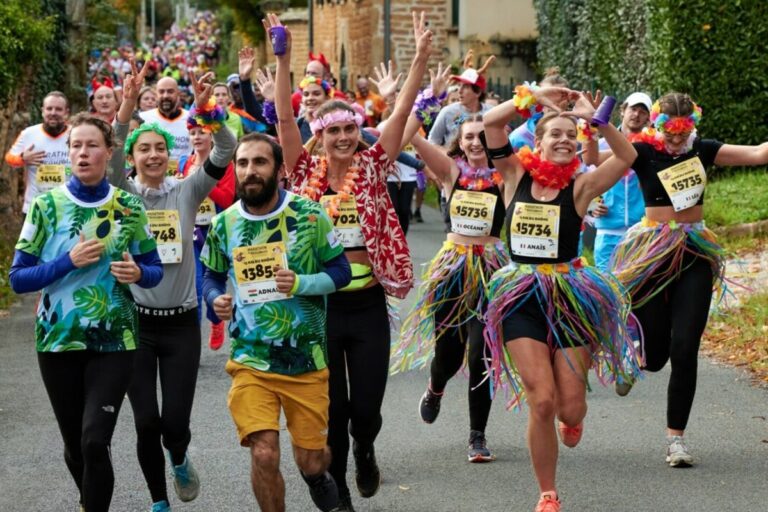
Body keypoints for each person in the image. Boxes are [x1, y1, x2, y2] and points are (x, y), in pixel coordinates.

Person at [269, 10, 432, 510]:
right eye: (332, 131)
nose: (343, 138)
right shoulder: (301, 172)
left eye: (349, 129)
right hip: (321, 308)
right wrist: (281, 60)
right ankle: (340, 499)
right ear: (318, 136)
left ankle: (366, 448)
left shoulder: (374, 165)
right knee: (332, 410)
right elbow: (280, 117)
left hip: (366, 306)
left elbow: (402, 112)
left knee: (366, 409)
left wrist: (421, 56)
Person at [482, 88, 640, 512]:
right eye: (555, 133)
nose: (564, 140)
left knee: (569, 407)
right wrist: (531, 97)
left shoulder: (583, 185)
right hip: (520, 295)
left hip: (570, 296)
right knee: (543, 399)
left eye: (571, 134)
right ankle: (548, 494)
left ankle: (574, 420)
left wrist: (600, 119)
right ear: (538, 141)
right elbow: (492, 125)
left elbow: (626, 158)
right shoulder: (514, 175)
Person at [9, 113, 163, 512]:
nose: (82, 152)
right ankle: (88, 500)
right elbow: (18, 279)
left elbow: (154, 270)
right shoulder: (46, 207)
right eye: (76, 145)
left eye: (92, 145)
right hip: (57, 340)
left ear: (108, 152)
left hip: (115, 339)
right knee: (77, 447)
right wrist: (67, 261)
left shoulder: (129, 207)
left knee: (96, 439)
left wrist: (138, 272)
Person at [609, 92, 768, 467]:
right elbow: (602, 152)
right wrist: (594, 121)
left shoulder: (704, 150)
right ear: (656, 125)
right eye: (670, 133)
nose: (677, 141)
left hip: (694, 250)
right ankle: (637, 359)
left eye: (684, 134)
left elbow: (760, 153)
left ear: (692, 126)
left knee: (685, 350)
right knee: (658, 356)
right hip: (651, 251)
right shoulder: (643, 151)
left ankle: (675, 440)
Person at [110, 61, 237, 512]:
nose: (152, 156)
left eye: (158, 149)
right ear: (133, 157)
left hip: (181, 324)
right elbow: (109, 153)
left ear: (168, 154)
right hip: (137, 325)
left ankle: (179, 456)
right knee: (145, 421)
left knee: (173, 424)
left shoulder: (187, 190)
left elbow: (226, 148)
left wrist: (206, 108)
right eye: (142, 149)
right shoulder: (122, 193)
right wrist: (127, 106)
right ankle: (159, 500)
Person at [201, 132, 351, 512]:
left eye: (260, 162)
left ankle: (317, 475)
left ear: (280, 170)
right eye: (243, 163)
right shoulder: (224, 224)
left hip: (305, 360)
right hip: (252, 358)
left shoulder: (310, 214)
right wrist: (213, 299)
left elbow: (341, 272)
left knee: (310, 459)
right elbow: (211, 276)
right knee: (264, 454)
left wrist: (301, 283)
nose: (251, 171)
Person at [390, 60, 511, 463]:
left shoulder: (508, 174)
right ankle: (436, 386)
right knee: (450, 352)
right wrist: (428, 98)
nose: (476, 143)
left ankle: (477, 435)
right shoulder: (449, 171)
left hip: (492, 268)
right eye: (469, 137)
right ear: (460, 141)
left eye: (482, 136)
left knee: (483, 352)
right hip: (454, 266)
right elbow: (409, 137)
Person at [179, 114, 237, 350]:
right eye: (192, 133)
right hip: (190, 231)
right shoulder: (184, 162)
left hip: (214, 232)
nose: (196, 137)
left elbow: (227, 197)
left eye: (201, 132)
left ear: (211, 135)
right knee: (194, 287)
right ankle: (192, 341)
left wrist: (202, 180)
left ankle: (215, 321)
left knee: (212, 283)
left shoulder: (225, 165)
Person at [586, 92, 651, 272]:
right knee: (608, 289)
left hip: (642, 231)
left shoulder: (653, 148)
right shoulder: (601, 146)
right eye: (633, 109)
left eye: (643, 112)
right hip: (608, 232)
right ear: (623, 111)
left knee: (640, 290)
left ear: (648, 118)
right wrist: (591, 207)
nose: (637, 115)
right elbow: (584, 180)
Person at [5, 91, 71, 214]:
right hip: (35, 208)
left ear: (66, 112)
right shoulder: (29, 134)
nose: (53, 113)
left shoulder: (75, 134)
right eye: (49, 108)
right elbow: (9, 158)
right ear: (42, 111)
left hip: (67, 209)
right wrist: (22, 158)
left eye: (58, 109)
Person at [427, 50, 494, 146]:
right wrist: (447, 156)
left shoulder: (492, 113)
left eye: (465, 87)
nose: (459, 90)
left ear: (478, 92)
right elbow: (432, 141)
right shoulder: (448, 112)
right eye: (459, 85)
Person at [508, 68, 569, 153]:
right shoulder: (519, 137)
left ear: (569, 98)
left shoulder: (580, 130)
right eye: (548, 95)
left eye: (561, 95)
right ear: (538, 98)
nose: (554, 100)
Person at [139, 76, 191, 174]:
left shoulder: (191, 118)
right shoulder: (143, 118)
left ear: (178, 93)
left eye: (170, 91)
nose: (165, 95)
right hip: (152, 178)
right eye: (161, 92)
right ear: (156, 94)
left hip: (185, 180)